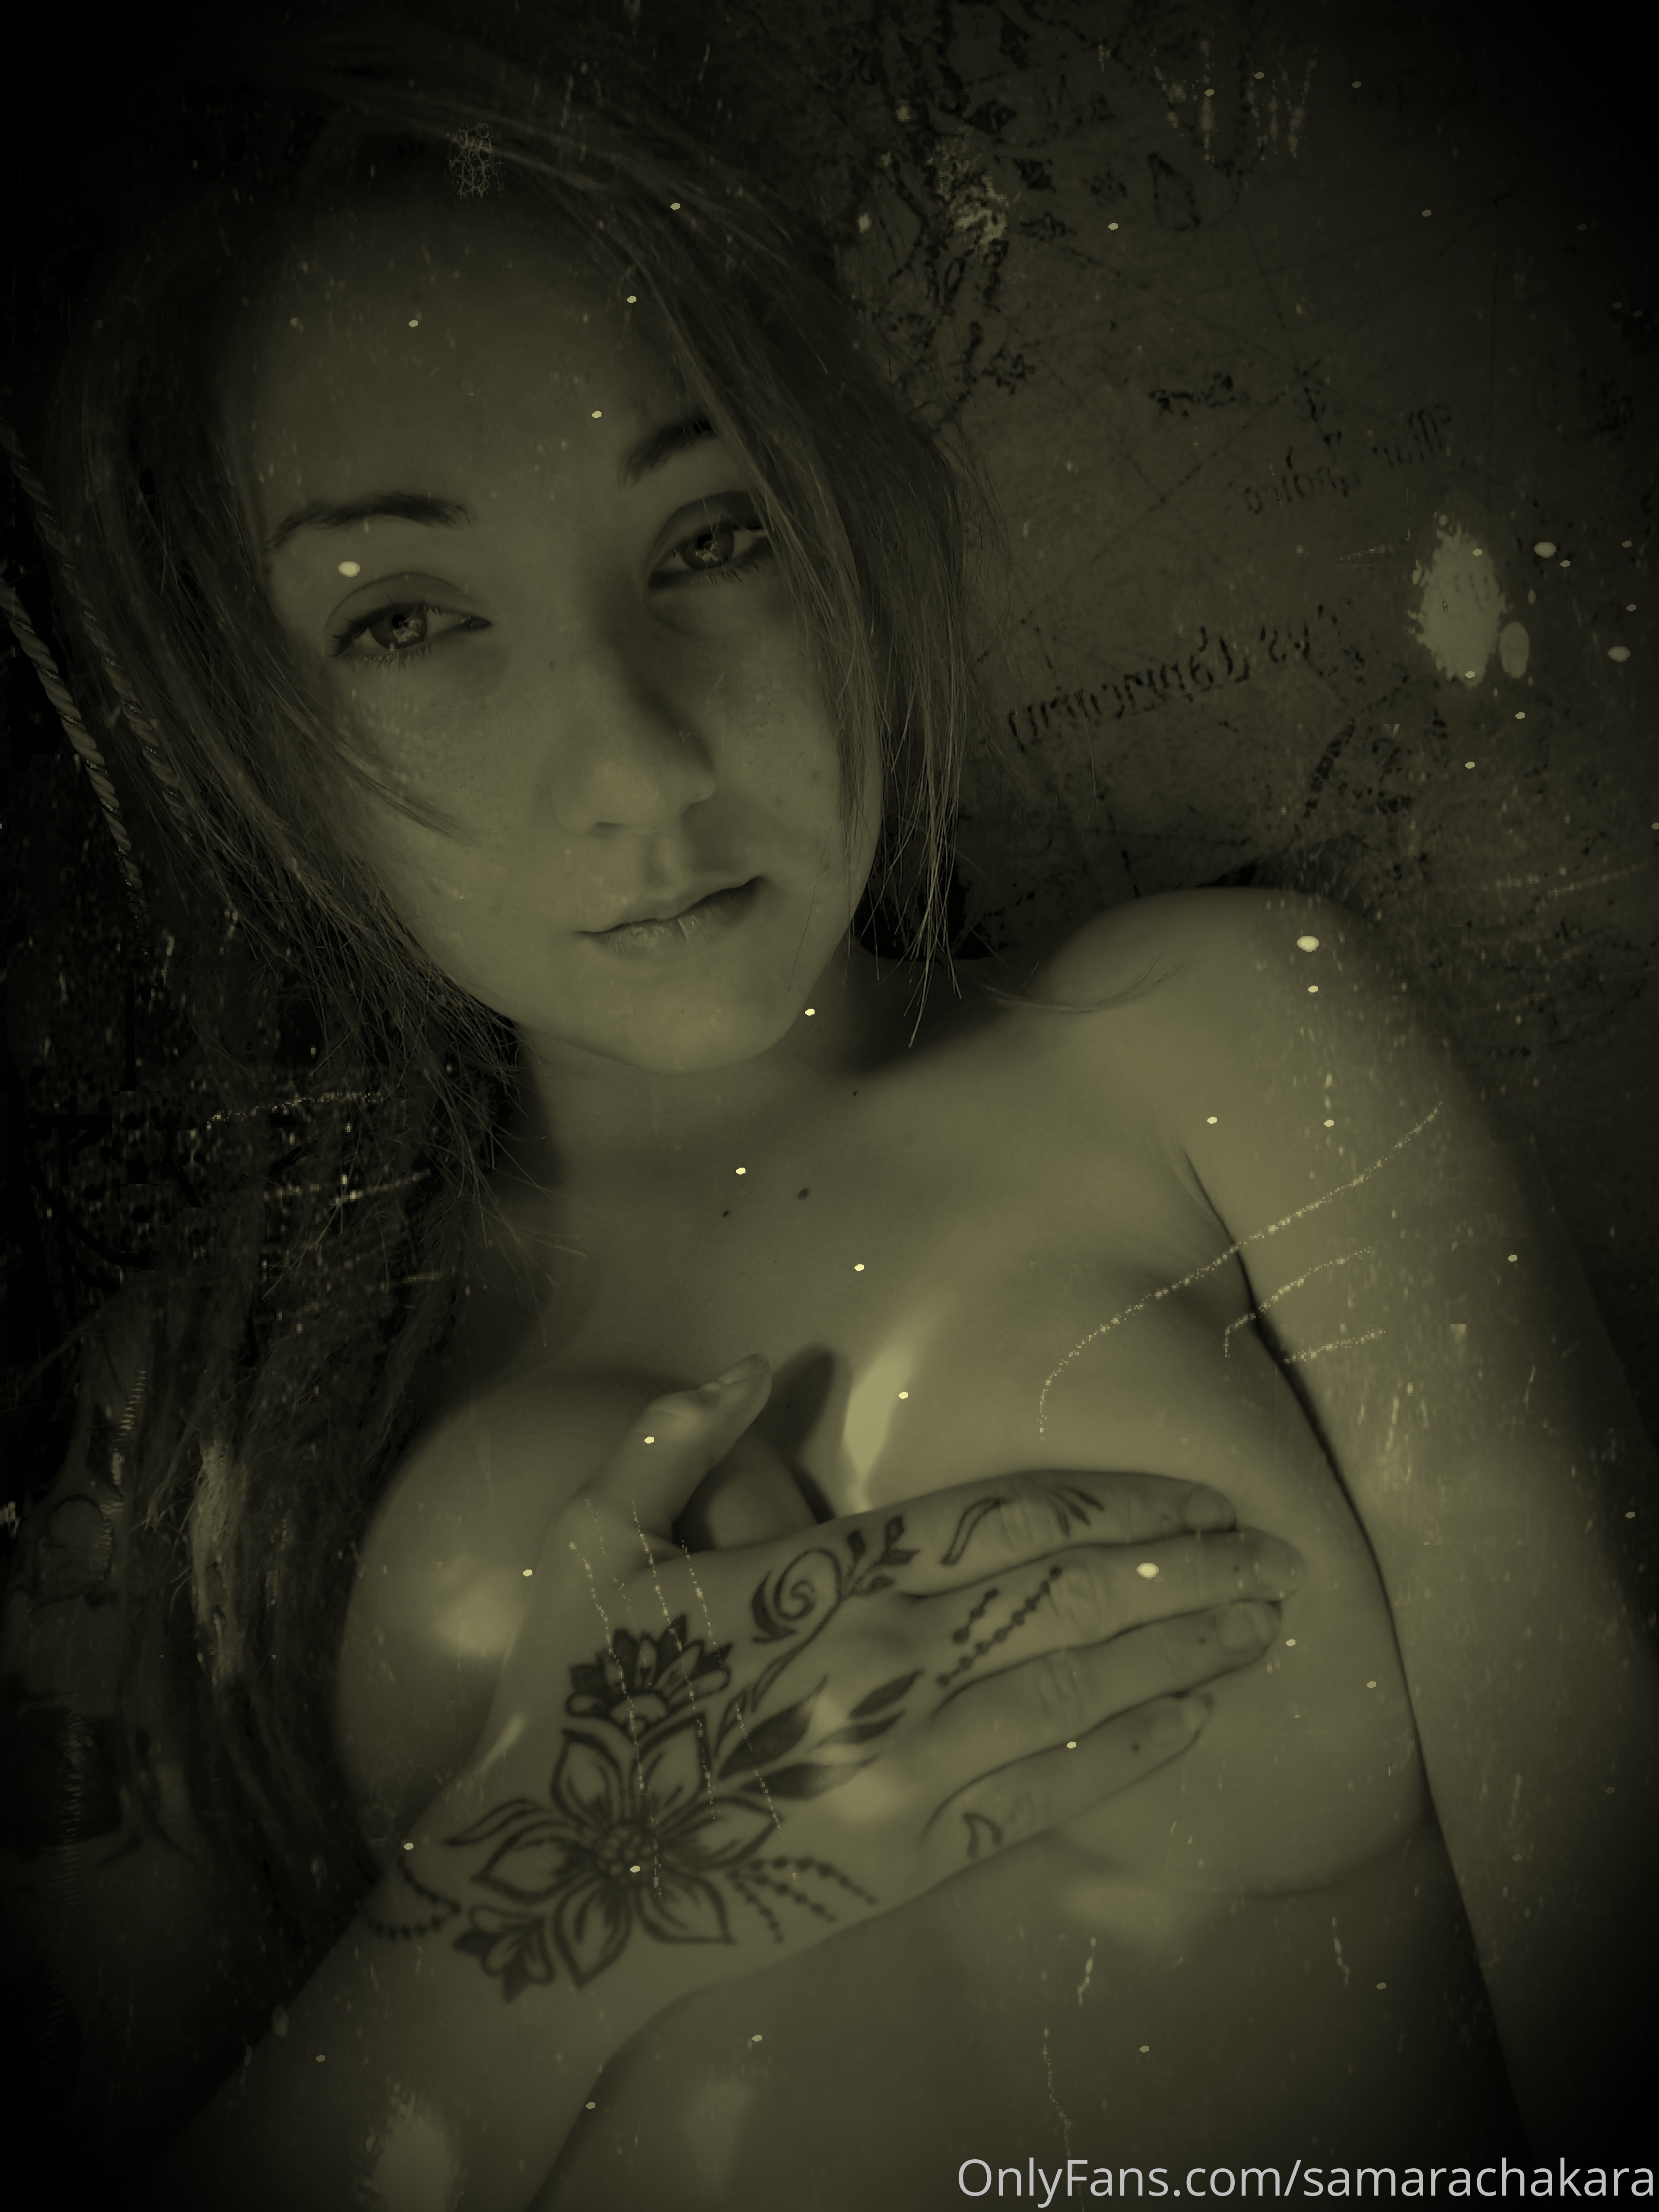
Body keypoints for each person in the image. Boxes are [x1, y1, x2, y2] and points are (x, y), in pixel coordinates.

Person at [1, 8, 1654, 2207]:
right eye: (405, 620)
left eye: (713, 534)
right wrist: (540, 1910)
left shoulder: (1226, 1041)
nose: (643, 763)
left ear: (848, 519)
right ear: (243, 731)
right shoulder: (190, 1439)